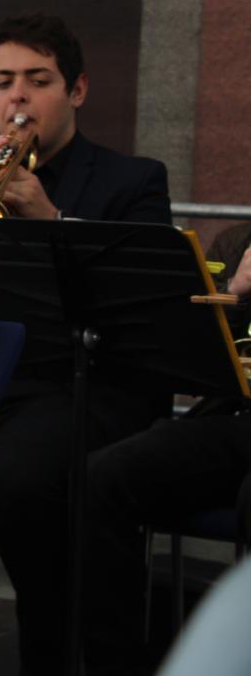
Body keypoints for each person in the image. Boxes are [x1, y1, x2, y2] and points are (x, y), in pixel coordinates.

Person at [0, 13, 172, 675]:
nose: (18, 97)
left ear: (77, 90)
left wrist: (51, 220)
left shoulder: (132, 180)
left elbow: (141, 303)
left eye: (38, 80)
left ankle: (53, 647)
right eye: (3, 81)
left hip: (85, 379)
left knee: (26, 479)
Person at [82, 224, 251, 676]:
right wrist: (235, 292)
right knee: (103, 477)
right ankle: (116, 664)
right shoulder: (237, 243)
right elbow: (191, 360)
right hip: (237, 419)